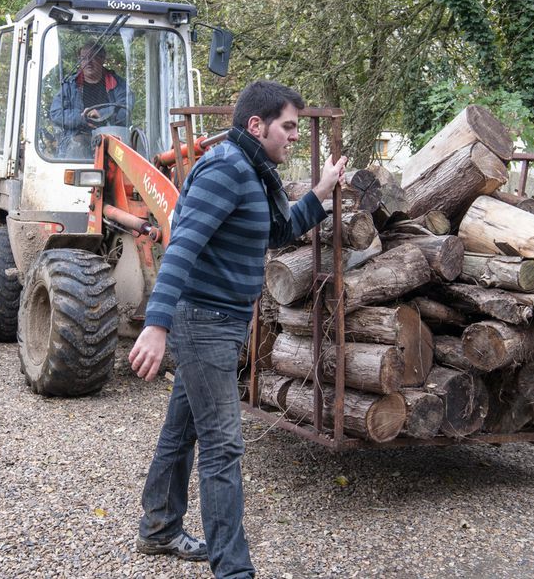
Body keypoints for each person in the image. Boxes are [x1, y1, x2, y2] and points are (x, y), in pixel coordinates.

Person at [129, 81, 348, 577]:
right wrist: (156, 324)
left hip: (219, 323)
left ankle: (159, 527)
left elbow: (276, 230)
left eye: (296, 128)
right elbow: (181, 245)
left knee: (183, 428)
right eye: (288, 127)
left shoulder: (252, 172)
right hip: (203, 320)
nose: (294, 137)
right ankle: (233, 570)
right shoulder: (227, 168)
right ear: (256, 124)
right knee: (224, 445)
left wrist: (320, 192)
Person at [48, 41, 133, 158]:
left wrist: (102, 114)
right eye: (84, 58)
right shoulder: (69, 86)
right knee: (78, 144)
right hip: (78, 137)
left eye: (93, 57)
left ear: (102, 59)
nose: (88, 62)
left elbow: (126, 109)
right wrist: (83, 117)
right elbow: (56, 113)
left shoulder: (118, 84)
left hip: (113, 137)